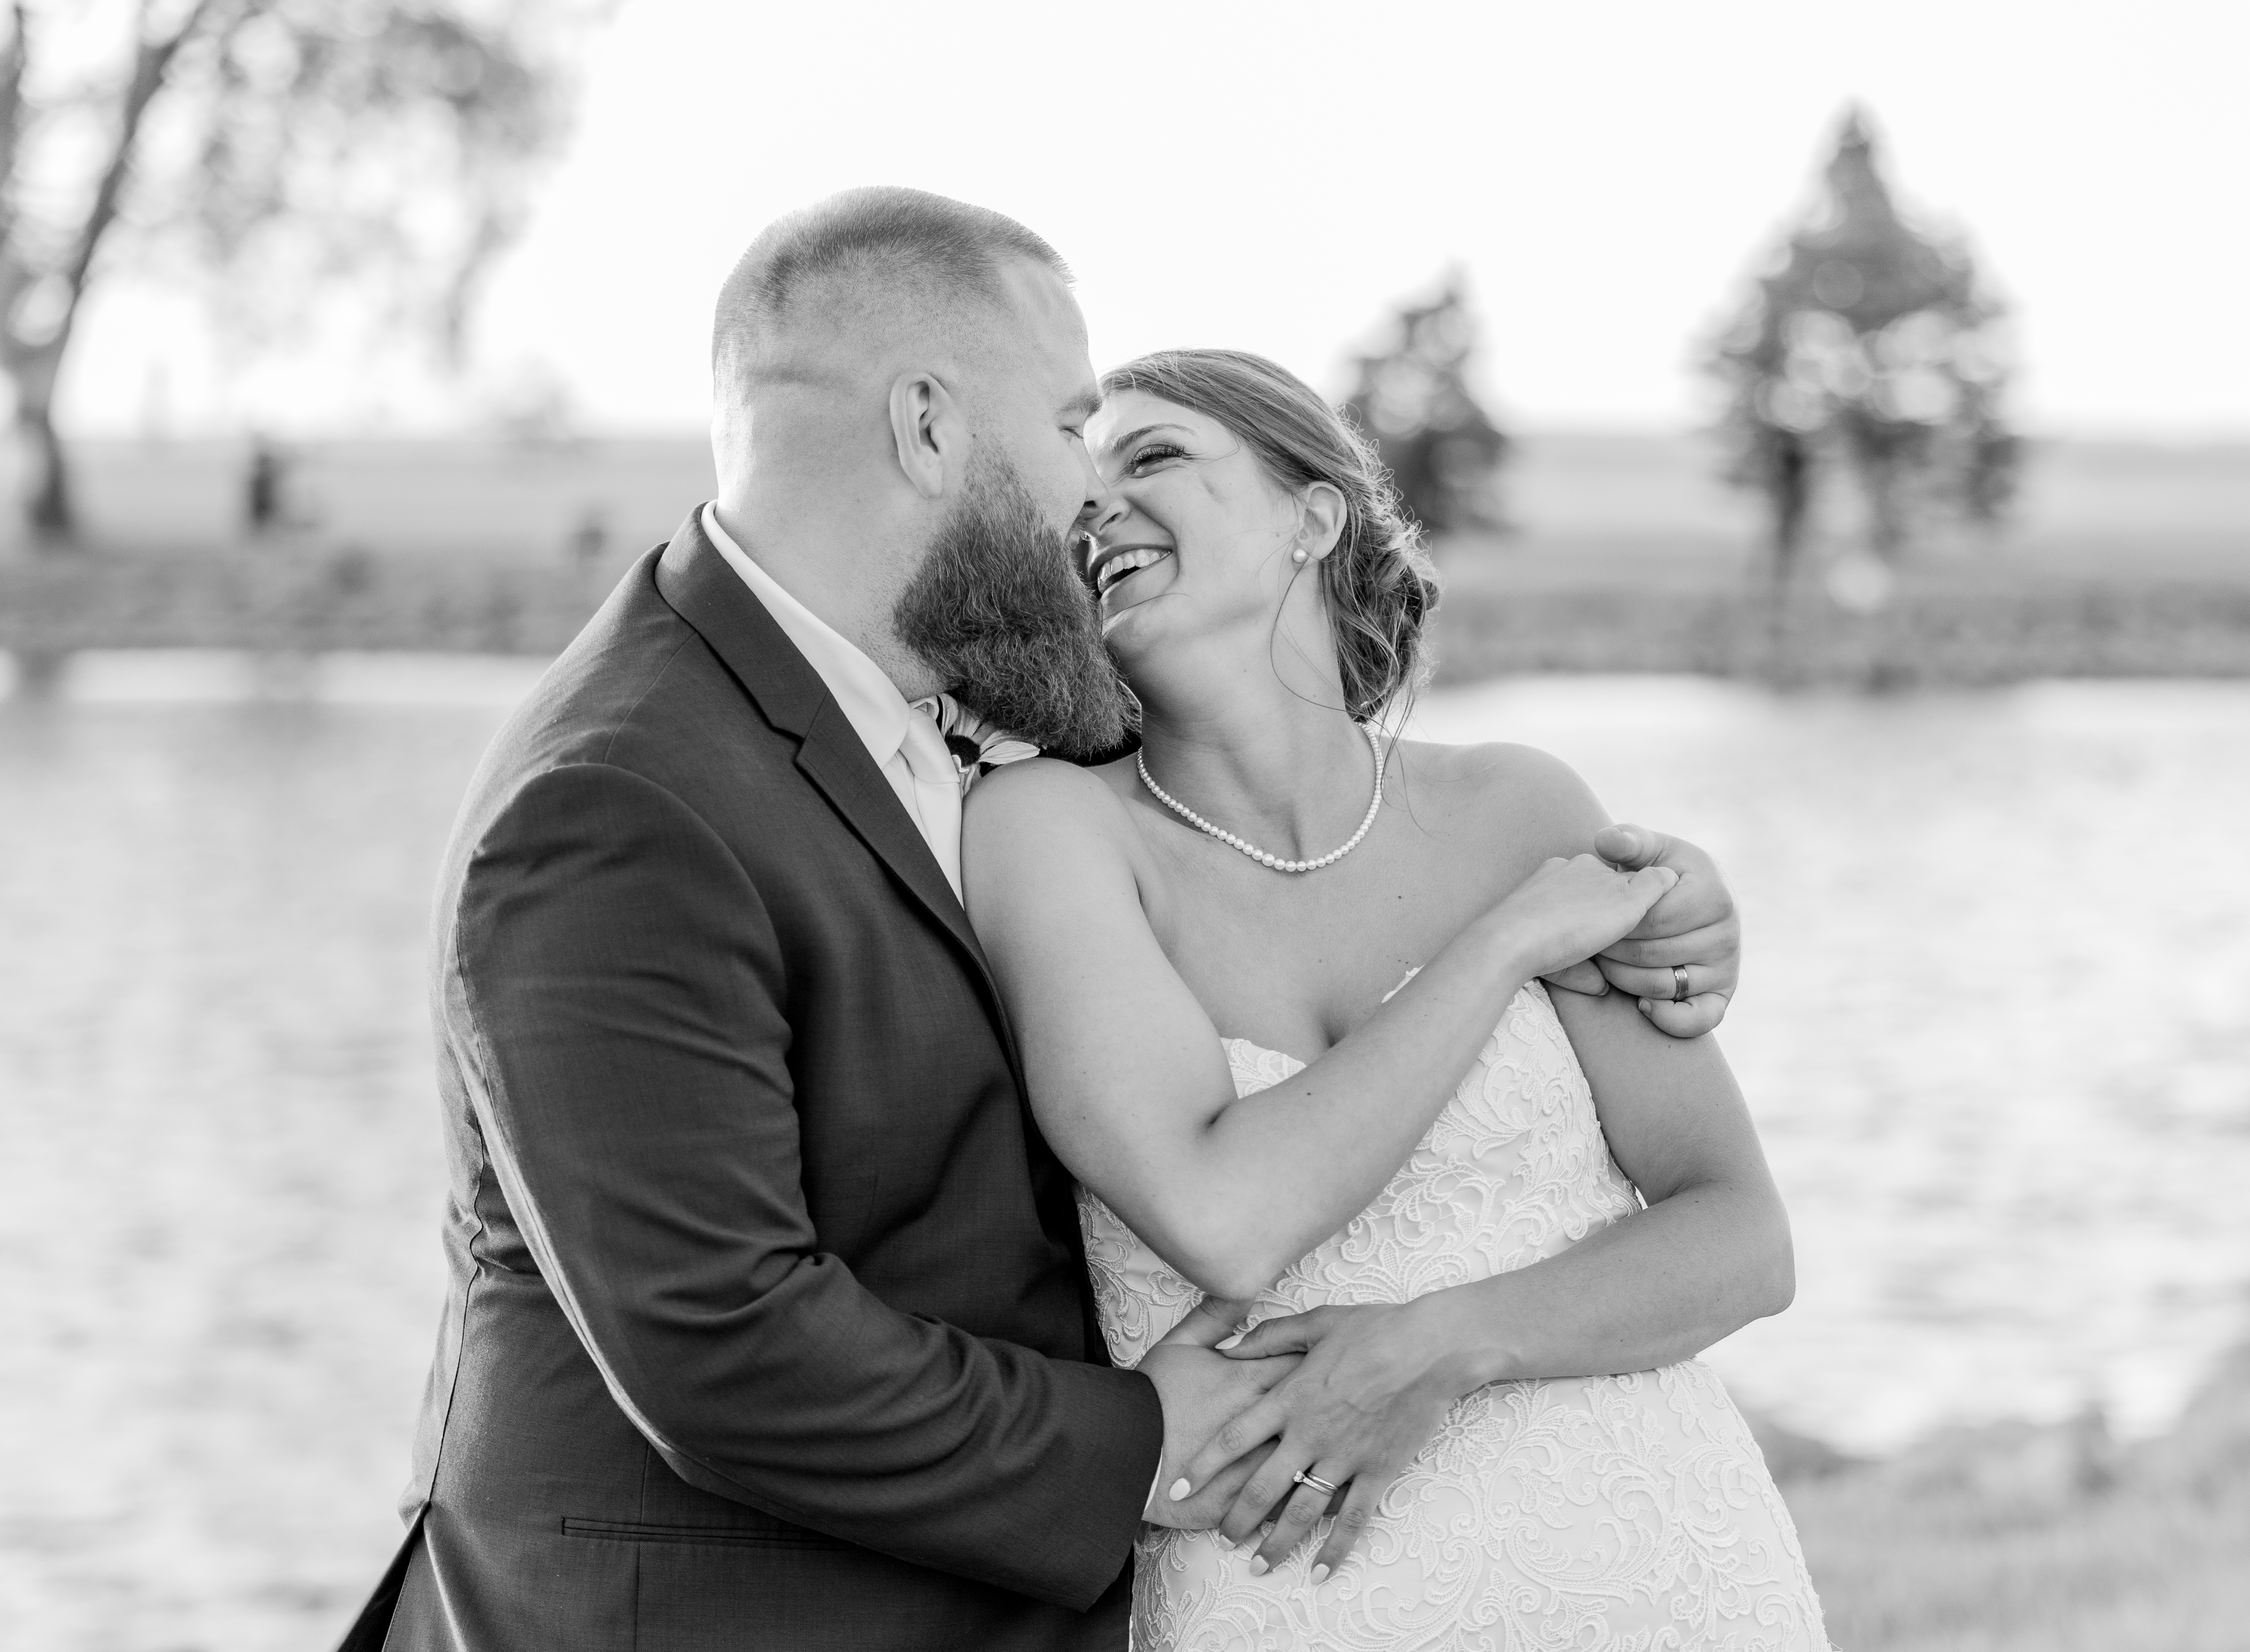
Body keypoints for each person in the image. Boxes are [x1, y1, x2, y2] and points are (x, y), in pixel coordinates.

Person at [339, 188, 1745, 1652]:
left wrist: (1663, 907)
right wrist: (1133, 1441)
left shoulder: (954, 725)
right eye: (1074, 425)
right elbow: (721, 1341)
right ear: (933, 429)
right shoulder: (624, 793)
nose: (1090, 494)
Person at [961, 349, 1828, 1647]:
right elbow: (1223, 1219)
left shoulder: (1517, 808)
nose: (1100, 509)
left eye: (1152, 459)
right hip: (1298, 1594)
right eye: (1080, 488)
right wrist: (1502, 944)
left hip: (1664, 1564)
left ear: (1313, 517)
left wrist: (1441, 1344)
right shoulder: (1052, 833)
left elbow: (1742, 1240)